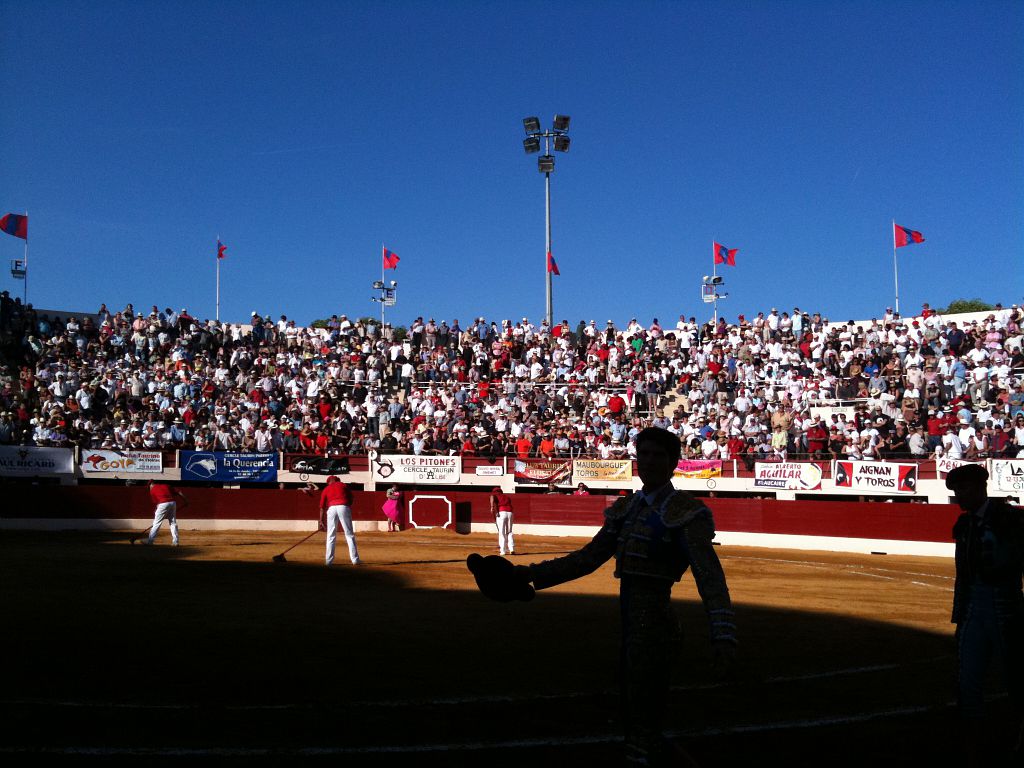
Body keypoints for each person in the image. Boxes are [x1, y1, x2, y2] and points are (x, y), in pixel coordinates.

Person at [477, 427, 736, 764]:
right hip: (632, 625)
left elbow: (709, 576)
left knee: (643, 715)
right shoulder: (628, 508)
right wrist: (526, 575)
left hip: (657, 627)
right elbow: (587, 558)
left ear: (673, 462)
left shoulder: (685, 512)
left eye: (659, 455)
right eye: (644, 454)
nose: (650, 461)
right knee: (635, 712)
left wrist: (724, 633)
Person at [946, 463, 1024, 765]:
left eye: (962, 490)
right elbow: (961, 576)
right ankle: (973, 746)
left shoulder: (1011, 519)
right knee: (968, 680)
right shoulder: (964, 526)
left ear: (981, 488)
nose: (958, 498)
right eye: (955, 492)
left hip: (1007, 607)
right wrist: (959, 618)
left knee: (1015, 677)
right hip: (973, 610)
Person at [320, 475, 361, 566]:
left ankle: (328, 561)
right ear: (337, 480)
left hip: (331, 509)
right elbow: (351, 498)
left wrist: (321, 520)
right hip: (343, 506)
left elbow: (322, 507)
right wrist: (347, 506)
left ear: (329, 482)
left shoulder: (326, 488)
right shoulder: (343, 485)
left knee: (330, 535)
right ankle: (355, 560)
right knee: (349, 534)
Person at [133, 480, 187, 546]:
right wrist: (186, 500)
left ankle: (150, 541)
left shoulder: (152, 490)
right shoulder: (165, 485)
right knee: (173, 522)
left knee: (156, 523)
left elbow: (158, 504)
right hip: (173, 503)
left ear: (150, 485)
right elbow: (179, 492)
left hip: (163, 504)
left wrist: (157, 512)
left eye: (149, 487)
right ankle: (175, 542)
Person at [490, 486, 515, 556]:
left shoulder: (494, 495)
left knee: (502, 532)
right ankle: (511, 549)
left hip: (502, 512)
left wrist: (492, 507)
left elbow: (491, 497)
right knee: (509, 531)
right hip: (510, 513)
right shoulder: (506, 496)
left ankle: (503, 550)